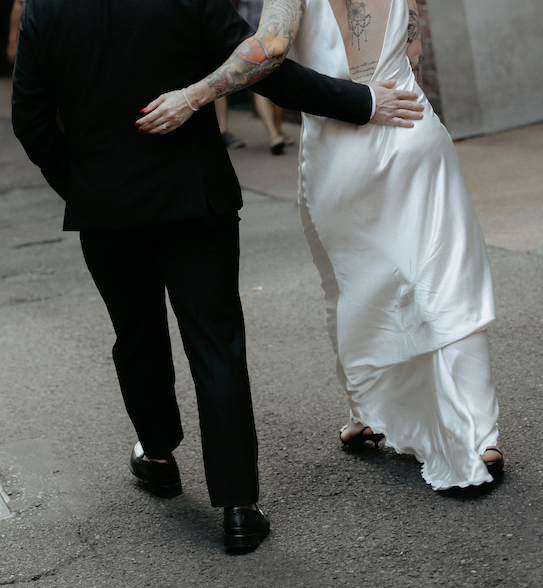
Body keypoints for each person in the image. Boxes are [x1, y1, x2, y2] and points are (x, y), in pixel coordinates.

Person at [12, 0, 423, 554]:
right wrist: (363, 101)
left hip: (106, 209)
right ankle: (238, 508)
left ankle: (157, 458)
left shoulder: (45, 11)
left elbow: (30, 119)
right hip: (194, 200)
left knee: (136, 336)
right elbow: (267, 70)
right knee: (217, 344)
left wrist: (83, 185)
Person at [138, 0, 504, 491]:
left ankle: (368, 413)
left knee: (357, 284)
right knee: (449, 276)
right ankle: (483, 437)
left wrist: (193, 96)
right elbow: (412, 46)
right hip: (413, 131)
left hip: (343, 150)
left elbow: (269, 48)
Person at [238, 0, 293, 155]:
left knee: (262, 83)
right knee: (273, 80)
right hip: (271, 31)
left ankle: (275, 133)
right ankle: (276, 133)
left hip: (254, 30)